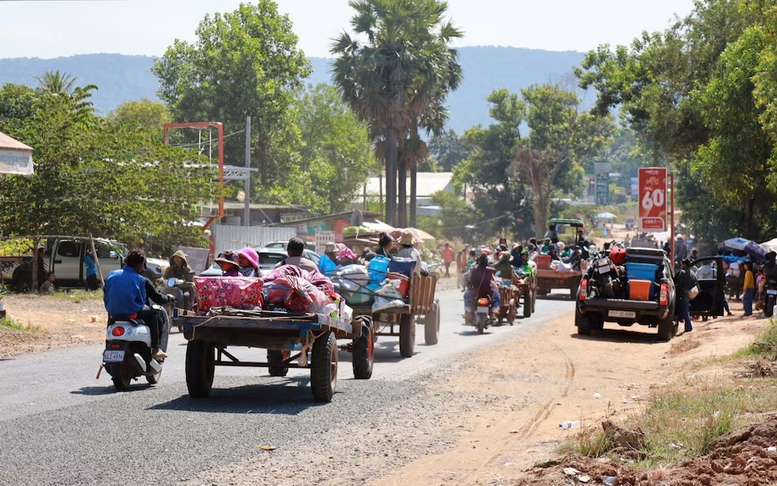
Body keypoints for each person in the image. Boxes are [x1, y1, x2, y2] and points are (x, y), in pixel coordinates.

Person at [103, 249, 174, 360]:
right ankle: (156, 349)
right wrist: (169, 298)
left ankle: (107, 345)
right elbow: (144, 299)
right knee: (154, 314)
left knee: (111, 315)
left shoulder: (112, 274)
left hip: (113, 312)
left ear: (126, 262)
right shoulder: (141, 279)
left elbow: (106, 293)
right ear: (141, 265)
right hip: (132, 312)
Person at [674, 258, 698, 332]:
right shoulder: (692, 273)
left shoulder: (682, 272)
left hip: (684, 293)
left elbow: (679, 284)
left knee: (684, 310)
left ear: (684, 264)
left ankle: (688, 326)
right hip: (691, 294)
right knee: (685, 308)